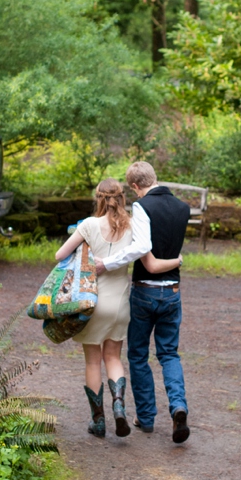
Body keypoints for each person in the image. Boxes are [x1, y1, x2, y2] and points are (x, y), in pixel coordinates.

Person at [54, 178, 181, 439]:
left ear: (98, 198)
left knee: (93, 360)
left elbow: (60, 255)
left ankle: (98, 420)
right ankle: (119, 407)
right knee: (113, 357)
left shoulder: (89, 225)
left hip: (91, 302)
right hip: (121, 303)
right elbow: (145, 255)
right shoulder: (133, 226)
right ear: (122, 197)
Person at [94, 161, 191, 444]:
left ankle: (146, 417)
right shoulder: (182, 208)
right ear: (154, 177)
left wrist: (107, 264)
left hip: (145, 292)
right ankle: (178, 406)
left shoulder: (142, 207)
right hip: (172, 291)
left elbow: (140, 248)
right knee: (169, 354)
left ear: (136, 187)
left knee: (137, 355)